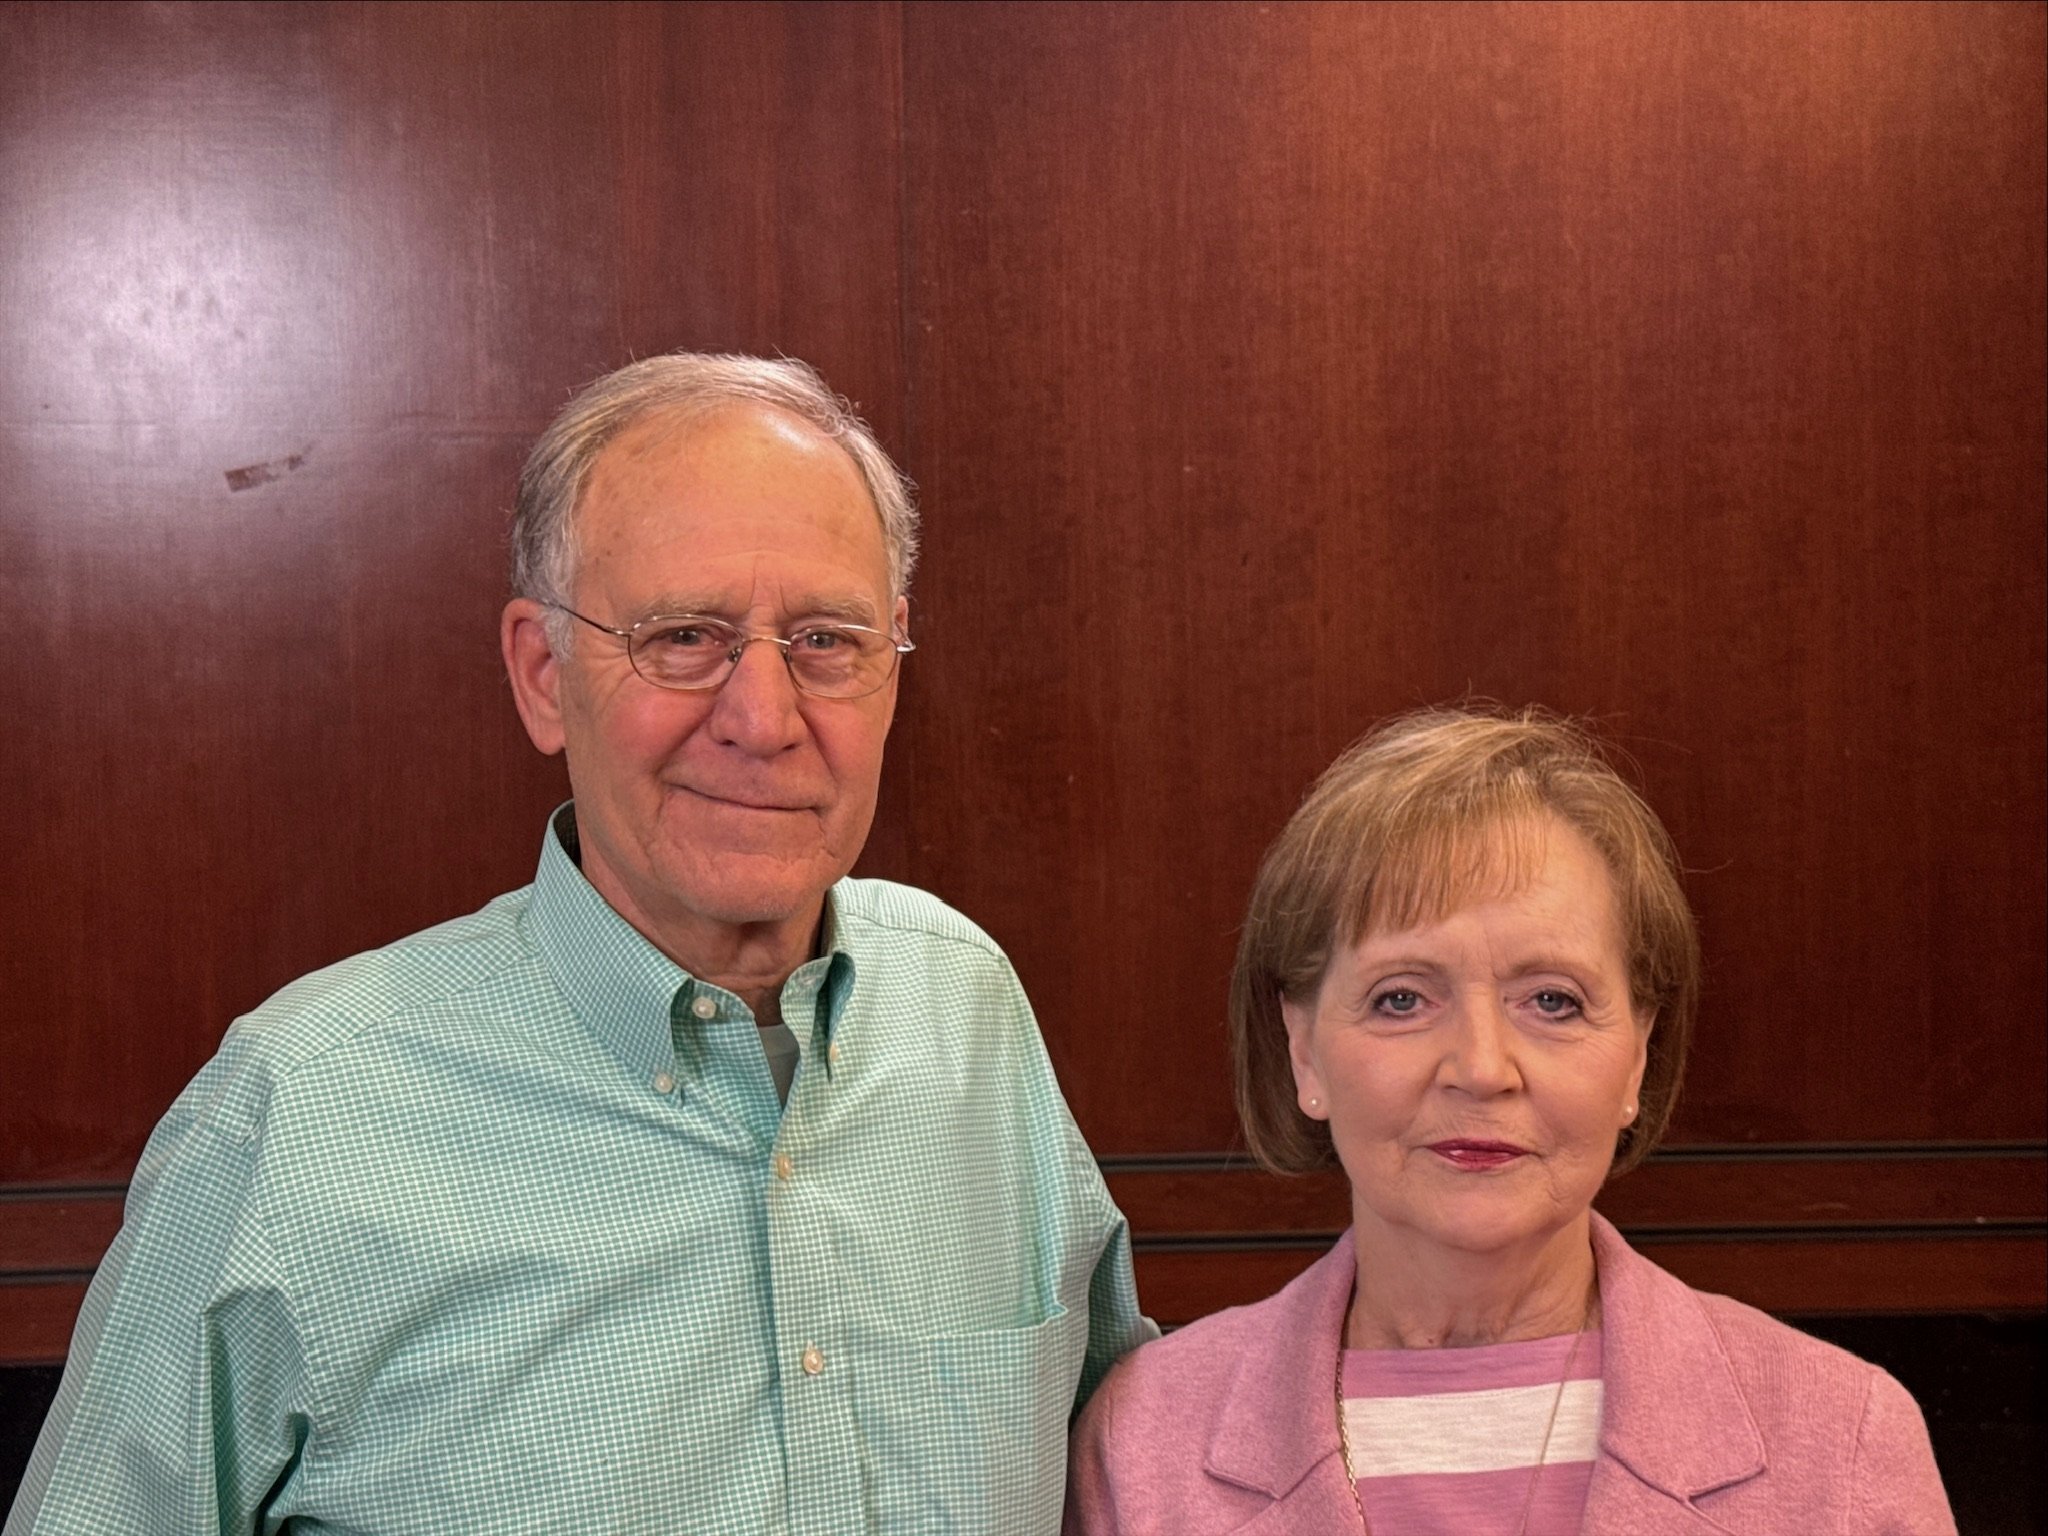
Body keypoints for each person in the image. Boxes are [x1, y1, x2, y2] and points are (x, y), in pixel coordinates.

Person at [10, 352, 1148, 1535]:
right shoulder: (298, 1113)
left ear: (891, 663)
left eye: (825, 640)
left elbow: (1129, 1473)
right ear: (543, 675)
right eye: (684, 637)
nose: (764, 720)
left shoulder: (964, 1005)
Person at [1065, 707, 1953, 1535]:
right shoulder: (1139, 1444)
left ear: (1637, 1057)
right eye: (1402, 998)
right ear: (1304, 1051)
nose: (1483, 1069)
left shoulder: (1847, 1442)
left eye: (1553, 1001)